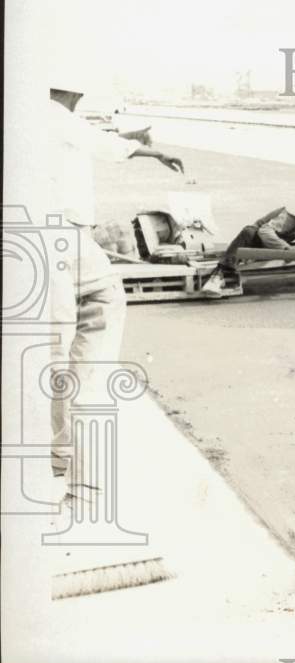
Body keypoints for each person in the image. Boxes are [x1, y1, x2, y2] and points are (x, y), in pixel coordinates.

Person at [48, 82, 185, 503]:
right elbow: (98, 143)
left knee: (53, 352)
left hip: (36, 238)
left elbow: (88, 139)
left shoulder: (31, 119)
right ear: (75, 95)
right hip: (60, 236)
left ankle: (59, 452)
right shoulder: (52, 113)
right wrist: (153, 151)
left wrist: (130, 139)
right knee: (85, 352)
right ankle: (80, 479)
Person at [202, 186, 295, 296]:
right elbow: (265, 231)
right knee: (248, 231)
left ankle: (287, 250)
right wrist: (288, 249)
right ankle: (219, 275)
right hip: (258, 241)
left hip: (278, 244)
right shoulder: (290, 216)